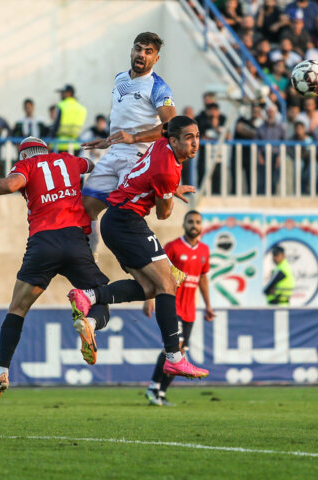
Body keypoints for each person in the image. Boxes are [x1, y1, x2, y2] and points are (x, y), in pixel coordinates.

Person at [0, 137, 111, 404]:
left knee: (17, 308)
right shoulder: (68, 160)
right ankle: (89, 324)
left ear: (23, 156)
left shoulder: (27, 165)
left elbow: (11, 184)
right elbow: (96, 166)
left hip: (43, 244)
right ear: (46, 150)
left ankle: (1, 372)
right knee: (102, 296)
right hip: (75, 240)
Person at [68, 116, 209, 381]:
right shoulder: (168, 170)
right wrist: (167, 192)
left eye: (197, 136)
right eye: (188, 137)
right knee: (168, 284)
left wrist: (167, 189)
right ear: (174, 140)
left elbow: (153, 168)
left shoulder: (160, 145)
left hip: (117, 221)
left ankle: (89, 295)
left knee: (151, 288)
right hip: (127, 222)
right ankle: (174, 358)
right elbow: (165, 213)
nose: (195, 143)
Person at [80, 32, 176, 253]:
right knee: (85, 207)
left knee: (126, 216)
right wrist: (108, 140)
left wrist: (134, 138)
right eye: (138, 48)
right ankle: (89, 260)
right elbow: (125, 117)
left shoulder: (158, 87)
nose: (141, 54)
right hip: (114, 153)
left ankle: (161, 263)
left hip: (139, 157)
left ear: (156, 59)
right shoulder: (120, 78)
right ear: (132, 50)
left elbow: (171, 126)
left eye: (148, 51)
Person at [142, 210, 215, 406]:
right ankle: (153, 388)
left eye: (198, 222)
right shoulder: (173, 247)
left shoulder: (204, 251)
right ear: (184, 224)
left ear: (201, 226)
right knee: (175, 349)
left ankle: (161, 393)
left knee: (179, 354)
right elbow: (156, 270)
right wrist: (149, 298)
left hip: (190, 311)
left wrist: (208, 305)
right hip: (173, 307)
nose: (194, 225)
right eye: (190, 221)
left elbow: (202, 278)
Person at [51, 84, 86, 152]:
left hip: (60, 145)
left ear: (69, 93)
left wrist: (50, 138)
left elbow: (56, 125)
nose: (61, 94)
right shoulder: (82, 108)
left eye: (63, 92)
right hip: (75, 145)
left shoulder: (61, 105)